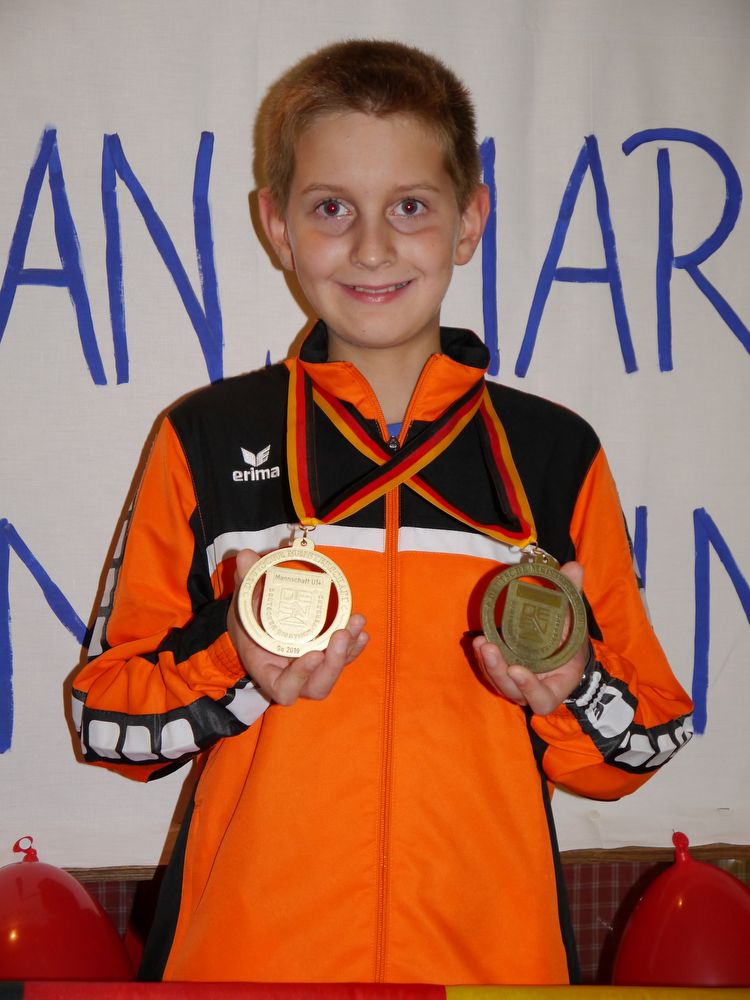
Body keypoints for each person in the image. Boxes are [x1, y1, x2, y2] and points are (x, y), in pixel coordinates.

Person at [72, 39, 693, 985]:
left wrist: (574, 690)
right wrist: (234, 660)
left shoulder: (553, 455)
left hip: (489, 969)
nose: (371, 247)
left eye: (410, 206)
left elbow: (637, 746)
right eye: (332, 208)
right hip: (248, 967)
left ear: (469, 221)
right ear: (277, 226)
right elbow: (106, 721)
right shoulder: (205, 437)